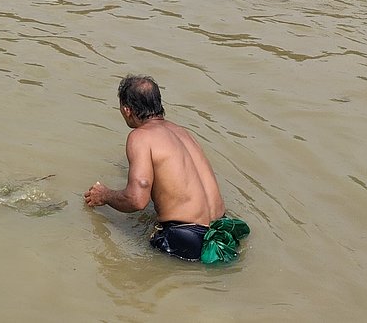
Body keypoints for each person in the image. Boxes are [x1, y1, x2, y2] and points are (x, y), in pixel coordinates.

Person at [84, 76, 246, 263]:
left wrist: (104, 195)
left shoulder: (140, 137)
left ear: (127, 110)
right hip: (222, 232)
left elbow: (136, 200)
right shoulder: (183, 133)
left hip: (188, 240)